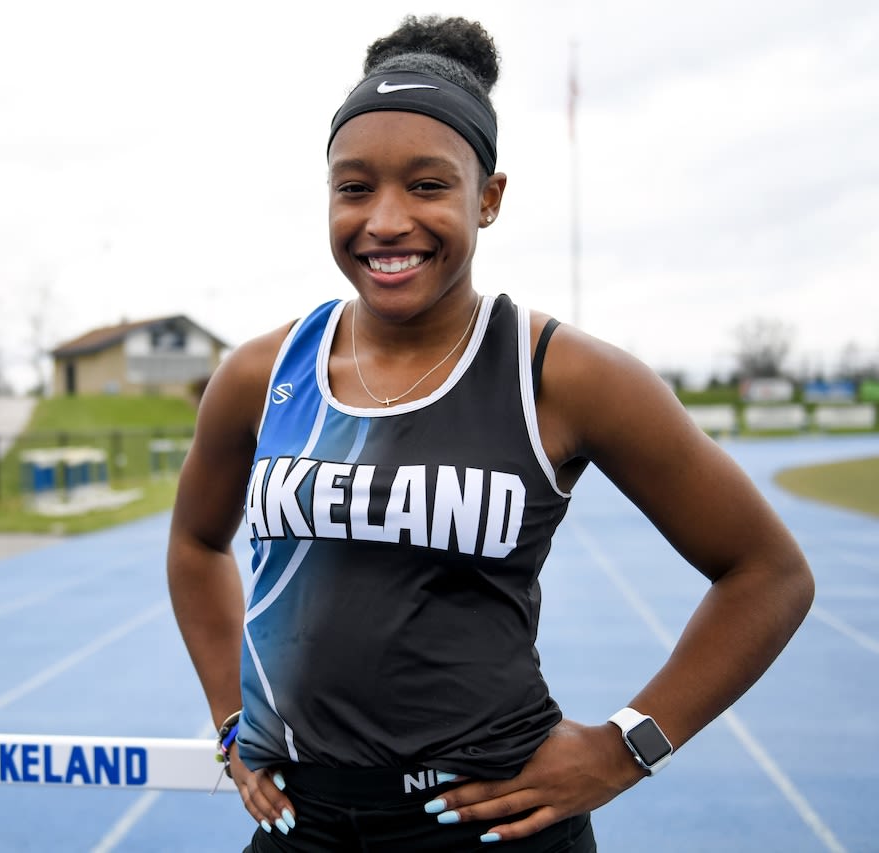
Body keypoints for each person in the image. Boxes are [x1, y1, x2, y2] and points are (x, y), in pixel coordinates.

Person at [166, 13, 815, 853]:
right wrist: (230, 721)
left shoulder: (561, 374)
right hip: (302, 824)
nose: (386, 221)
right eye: (354, 188)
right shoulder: (263, 372)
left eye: (428, 186)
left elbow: (769, 573)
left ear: (489, 197)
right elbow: (194, 544)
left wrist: (624, 748)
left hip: (493, 823)